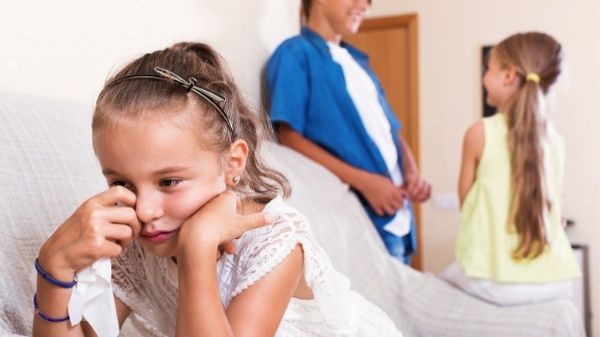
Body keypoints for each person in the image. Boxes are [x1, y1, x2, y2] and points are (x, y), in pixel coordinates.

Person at [32, 42, 404, 337]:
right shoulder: (140, 240)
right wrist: (53, 269)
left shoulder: (275, 242)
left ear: (232, 164)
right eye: (121, 183)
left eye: (169, 182)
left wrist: (197, 249)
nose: (144, 210)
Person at [264, 0, 431, 264]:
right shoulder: (295, 54)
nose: (365, 5)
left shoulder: (359, 62)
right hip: (362, 223)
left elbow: (391, 131)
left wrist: (411, 172)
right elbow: (288, 137)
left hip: (400, 219)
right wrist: (365, 183)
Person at [440, 32, 581, 306]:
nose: (484, 78)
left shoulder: (479, 133)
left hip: (493, 284)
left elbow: (466, 203)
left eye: (488, 69)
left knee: (441, 281)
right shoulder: (556, 142)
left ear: (508, 76)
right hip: (552, 283)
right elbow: (558, 213)